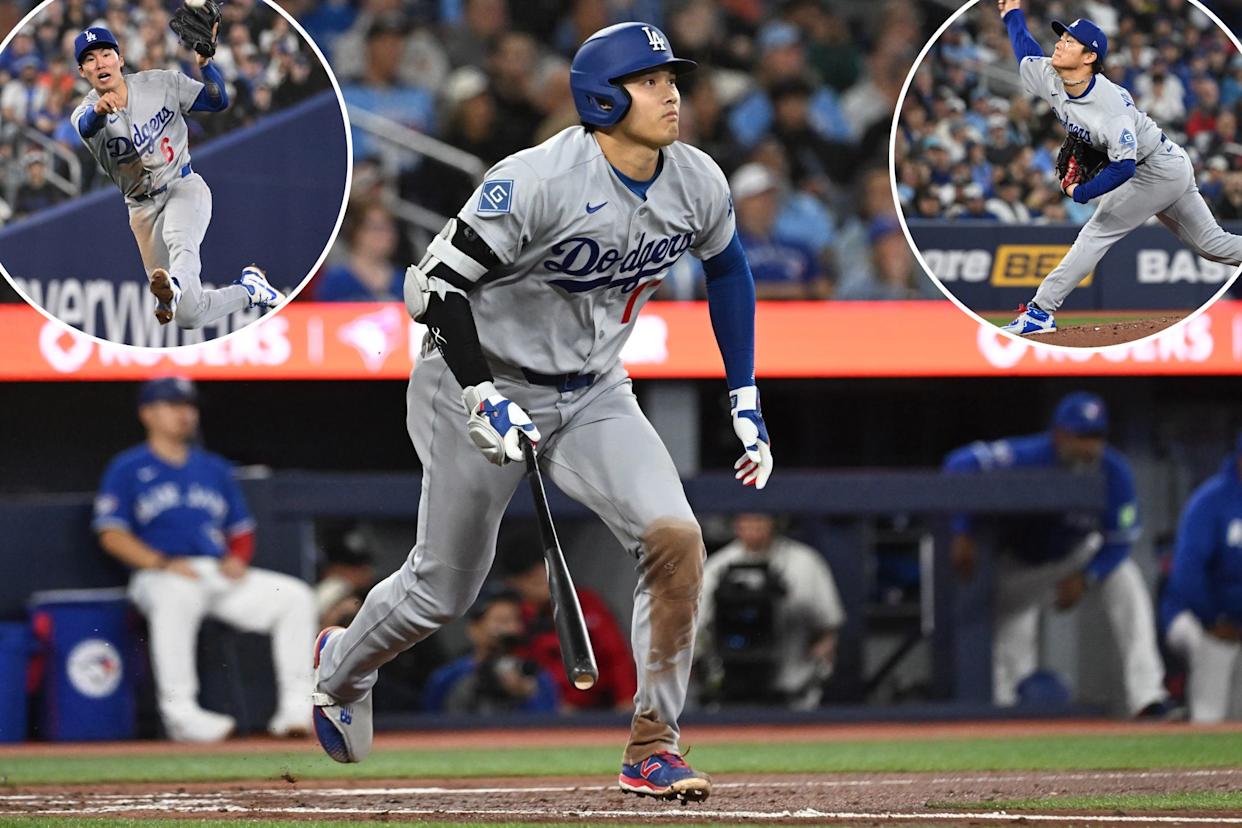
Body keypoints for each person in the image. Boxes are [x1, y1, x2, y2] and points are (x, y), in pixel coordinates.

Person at [310, 22, 772, 805]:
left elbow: (729, 271)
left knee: (676, 537)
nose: (671, 94)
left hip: (594, 387)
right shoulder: (534, 180)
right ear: (601, 97)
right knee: (442, 592)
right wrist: (480, 392)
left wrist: (745, 394)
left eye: (672, 79)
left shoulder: (696, 178)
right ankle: (342, 669)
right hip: (480, 377)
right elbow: (433, 289)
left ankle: (653, 745)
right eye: (650, 80)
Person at [996, 2, 1242, 336]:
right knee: (1212, 245)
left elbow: (1124, 168)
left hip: (1154, 168)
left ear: (1089, 58)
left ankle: (1040, 311)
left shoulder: (1109, 109)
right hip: (1166, 160)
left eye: (1070, 41)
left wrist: (1082, 193)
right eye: (1062, 37)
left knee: (1096, 232)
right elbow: (1026, 52)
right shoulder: (1053, 76)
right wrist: (1012, 14)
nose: (1060, 43)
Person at [93, 378, 316, 742]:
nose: (184, 413)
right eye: (172, 405)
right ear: (147, 413)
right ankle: (181, 715)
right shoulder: (128, 467)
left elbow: (240, 531)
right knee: (174, 594)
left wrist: (238, 559)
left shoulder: (214, 468)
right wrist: (162, 563)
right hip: (159, 574)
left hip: (213, 572)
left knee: (294, 596)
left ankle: (296, 708)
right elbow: (112, 534)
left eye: (188, 405)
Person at [943, 391, 1171, 717]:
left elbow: (1119, 540)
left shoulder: (1114, 470)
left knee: (1126, 577)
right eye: (1081, 436)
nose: (1089, 446)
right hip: (1015, 569)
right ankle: (1000, 720)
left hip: (1069, 561)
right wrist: (961, 529)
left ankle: (1147, 696)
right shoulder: (1029, 454)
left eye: (1096, 437)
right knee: (1005, 668)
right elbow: (958, 463)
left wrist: (1087, 575)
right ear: (1059, 434)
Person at [70, 26, 283, 329]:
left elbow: (217, 101)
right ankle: (250, 290)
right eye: (90, 59)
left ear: (121, 58)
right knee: (189, 316)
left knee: (180, 240)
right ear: (81, 71)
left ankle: (175, 288)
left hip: (182, 185)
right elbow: (87, 126)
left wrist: (207, 65)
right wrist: (99, 110)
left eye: (106, 54)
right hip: (141, 210)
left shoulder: (160, 82)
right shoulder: (83, 112)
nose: (100, 63)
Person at [697, 513, 844, 709]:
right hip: (729, 683)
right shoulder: (716, 568)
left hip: (792, 685)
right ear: (736, 523)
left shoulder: (805, 562)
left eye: (760, 518)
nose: (754, 525)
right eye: (747, 518)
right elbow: (694, 632)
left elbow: (828, 626)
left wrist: (819, 666)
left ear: (774, 521)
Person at [1161, 432, 1242, 722]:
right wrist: (1214, 619)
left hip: (1237, 620)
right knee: (1212, 706)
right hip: (1194, 616)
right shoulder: (1210, 500)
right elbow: (1186, 577)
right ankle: (1200, 719)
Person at [502, 543, 638, 712]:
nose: (541, 579)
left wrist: (626, 700)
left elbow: (615, 657)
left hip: (597, 710)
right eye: (531, 577)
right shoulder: (514, 615)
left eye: (543, 571)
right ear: (513, 583)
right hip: (539, 713)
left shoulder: (584, 604)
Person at [422, 588, 559, 714]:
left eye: (515, 620)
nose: (509, 629)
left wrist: (525, 694)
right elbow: (432, 725)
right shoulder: (448, 677)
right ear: (474, 628)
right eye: (501, 621)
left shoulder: (533, 675)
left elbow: (549, 725)